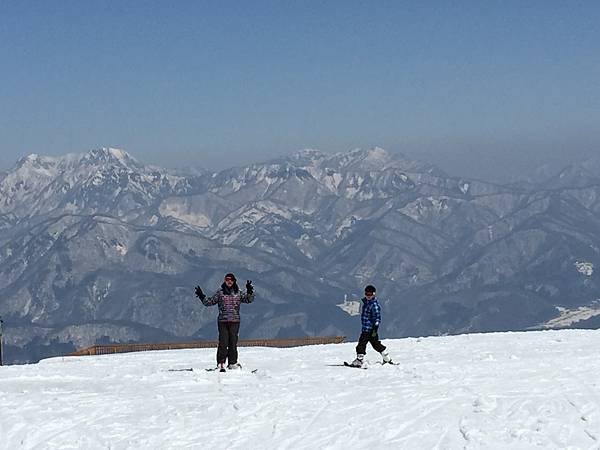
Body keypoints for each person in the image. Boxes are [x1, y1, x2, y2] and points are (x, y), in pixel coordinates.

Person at [194, 273, 254, 371]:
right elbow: (209, 302)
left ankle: (232, 363)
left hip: (235, 321)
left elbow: (248, 300)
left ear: (234, 281)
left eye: (231, 280)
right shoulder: (220, 293)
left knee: (233, 343)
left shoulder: (238, 292)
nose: (229, 281)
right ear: (224, 281)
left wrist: (250, 291)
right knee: (223, 342)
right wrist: (201, 296)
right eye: (227, 279)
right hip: (223, 321)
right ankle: (221, 362)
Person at [349, 284, 393, 367]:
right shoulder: (367, 303)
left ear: (374, 294)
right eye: (366, 294)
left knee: (361, 344)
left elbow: (377, 318)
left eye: (370, 294)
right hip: (367, 328)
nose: (368, 296)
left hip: (369, 329)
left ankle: (359, 360)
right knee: (376, 344)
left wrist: (375, 328)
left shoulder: (374, 305)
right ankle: (386, 358)